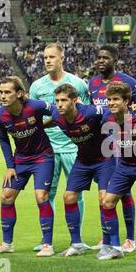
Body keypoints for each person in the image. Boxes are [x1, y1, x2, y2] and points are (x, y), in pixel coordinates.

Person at [29, 43, 91, 252]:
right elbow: (34, 116)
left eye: (52, 57)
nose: (47, 60)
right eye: (45, 57)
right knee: (46, 194)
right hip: (47, 148)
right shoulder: (37, 87)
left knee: (76, 195)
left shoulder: (77, 83)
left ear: (61, 58)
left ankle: (78, 239)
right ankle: (48, 240)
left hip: (73, 147)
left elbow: (86, 113)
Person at [0, 76, 56, 257]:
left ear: (19, 93)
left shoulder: (36, 106)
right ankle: (7, 244)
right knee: (6, 196)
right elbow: (3, 140)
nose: (3, 96)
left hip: (43, 158)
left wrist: (45, 125)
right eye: (1, 92)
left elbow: (58, 113)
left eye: (7, 92)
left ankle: (47, 245)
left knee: (41, 196)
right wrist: (10, 166)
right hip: (21, 161)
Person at [88, 45, 136, 252]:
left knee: (124, 192)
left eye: (105, 57)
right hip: (104, 147)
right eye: (98, 57)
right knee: (104, 195)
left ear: (115, 60)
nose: (101, 61)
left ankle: (129, 238)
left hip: (124, 146)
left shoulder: (128, 81)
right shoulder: (92, 83)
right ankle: (108, 237)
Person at [46, 83, 110, 257]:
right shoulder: (56, 114)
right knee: (68, 197)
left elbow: (113, 112)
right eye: (57, 100)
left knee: (104, 199)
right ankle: (77, 244)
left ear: (75, 101)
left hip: (105, 158)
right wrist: (39, 127)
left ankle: (108, 243)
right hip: (82, 160)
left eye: (64, 100)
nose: (59, 104)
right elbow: (50, 119)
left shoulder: (90, 112)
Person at [98, 81, 136, 260]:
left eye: (115, 99)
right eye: (109, 99)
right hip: (123, 166)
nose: (111, 103)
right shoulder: (106, 117)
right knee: (107, 202)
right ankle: (115, 247)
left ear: (126, 101)